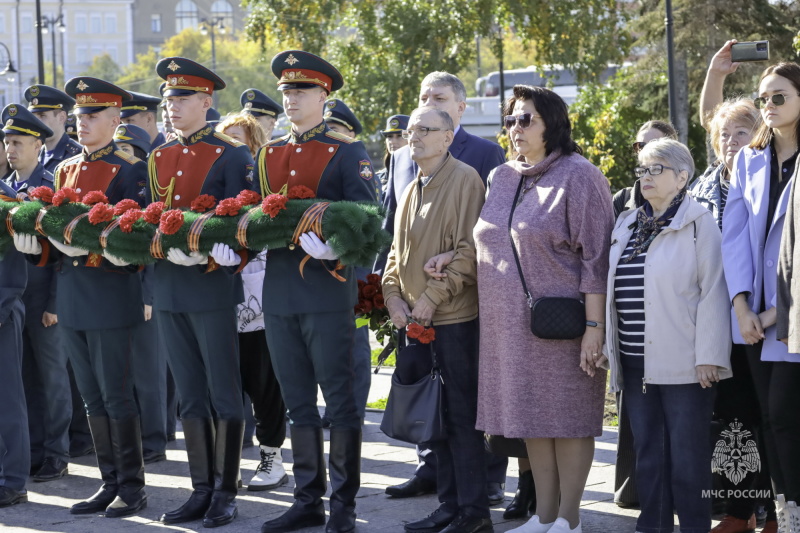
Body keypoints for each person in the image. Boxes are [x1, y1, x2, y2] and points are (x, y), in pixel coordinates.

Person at [469, 85, 613, 533]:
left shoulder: (580, 175)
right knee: (532, 415)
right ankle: (544, 515)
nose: (515, 128)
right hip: (506, 327)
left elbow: (597, 259)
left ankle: (569, 519)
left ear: (553, 123)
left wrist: (594, 328)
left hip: (562, 325)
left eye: (526, 119)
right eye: (510, 120)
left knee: (567, 419)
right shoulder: (501, 177)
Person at [14, 77, 150, 518]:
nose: (82, 121)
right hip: (73, 294)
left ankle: (132, 486)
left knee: (116, 395)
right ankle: (108, 482)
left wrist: (94, 246)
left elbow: (137, 239)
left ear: (115, 120)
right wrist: (40, 247)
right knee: (91, 397)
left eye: (92, 115)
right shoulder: (67, 168)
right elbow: (55, 235)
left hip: (111, 293)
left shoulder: (131, 168)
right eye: (79, 115)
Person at [254, 49, 377, 533]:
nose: (291, 99)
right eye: (286, 90)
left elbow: (369, 219)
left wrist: (338, 251)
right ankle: (308, 498)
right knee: (298, 401)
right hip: (281, 294)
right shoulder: (269, 153)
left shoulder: (346, 151)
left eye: (301, 90)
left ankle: (343, 504)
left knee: (341, 401)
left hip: (328, 294)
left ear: (324, 95)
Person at [380, 71, 507, 506]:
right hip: (416, 320)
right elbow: (397, 254)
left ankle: (470, 509)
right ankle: (449, 505)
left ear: (448, 137)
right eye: (410, 129)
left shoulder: (467, 178)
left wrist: (431, 300)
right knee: (437, 418)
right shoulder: (414, 183)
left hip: (452, 319)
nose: (413, 136)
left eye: (425, 130)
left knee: (460, 417)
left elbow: (470, 252)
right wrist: (393, 298)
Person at [604, 138, 732, 533]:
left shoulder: (700, 224)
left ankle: (694, 526)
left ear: (682, 176)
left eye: (656, 168)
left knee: (687, 457)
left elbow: (714, 291)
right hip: (635, 359)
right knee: (648, 454)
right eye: (642, 169)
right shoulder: (627, 222)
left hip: (686, 362)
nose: (646, 176)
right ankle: (653, 527)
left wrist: (710, 355)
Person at [148, 56, 254, 528]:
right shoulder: (157, 156)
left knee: (224, 393)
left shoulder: (232, 154)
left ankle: (226, 493)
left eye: (182, 97)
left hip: (211, 285)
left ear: (206, 101)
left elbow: (244, 221)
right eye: (168, 98)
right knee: (189, 396)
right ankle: (200, 489)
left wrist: (226, 253)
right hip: (170, 286)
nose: (172, 106)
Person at [695, 44, 775, 533]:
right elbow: (710, 117)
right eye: (724, 134)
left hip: (758, 315)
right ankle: (738, 510)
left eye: (741, 132)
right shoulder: (705, 182)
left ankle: (772, 508)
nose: (729, 140)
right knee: (733, 418)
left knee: (770, 415)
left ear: (758, 136)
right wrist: (714, 75)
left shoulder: (765, 177)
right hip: (713, 318)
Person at [729, 61, 800, 529]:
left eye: (780, 97)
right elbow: (733, 235)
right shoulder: (747, 159)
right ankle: (785, 511)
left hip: (793, 314)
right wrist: (740, 304)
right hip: (753, 316)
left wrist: (776, 313)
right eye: (764, 99)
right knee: (768, 421)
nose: (769, 106)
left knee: (784, 415)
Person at [216, 111, 289, 491]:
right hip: (216, 298)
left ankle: (272, 457)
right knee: (226, 382)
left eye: (239, 141)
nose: (232, 149)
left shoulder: (266, 186)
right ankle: (221, 460)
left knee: (263, 382)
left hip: (257, 300)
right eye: (225, 140)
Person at [2, 105, 72, 483]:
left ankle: (57, 453)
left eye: (18, 142)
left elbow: (62, 249)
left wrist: (56, 304)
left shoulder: (52, 187)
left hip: (44, 297)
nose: (11, 149)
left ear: (37, 144)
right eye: (7, 141)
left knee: (52, 377)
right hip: (13, 299)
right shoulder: (5, 188)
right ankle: (30, 450)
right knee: (22, 379)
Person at [111, 121, 170, 465]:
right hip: (118, 285)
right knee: (126, 371)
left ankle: (154, 438)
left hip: (146, 286)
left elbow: (151, 244)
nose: (122, 156)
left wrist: (148, 294)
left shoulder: (148, 189)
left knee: (149, 370)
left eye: (128, 150)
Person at [0, 179, 29, 508]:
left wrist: (3, 306)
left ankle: (13, 480)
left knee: (7, 402)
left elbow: (10, 262)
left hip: (2, 311)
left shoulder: (5, 197)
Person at [612, 120, 678, 218]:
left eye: (654, 145)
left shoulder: (689, 202)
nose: (646, 152)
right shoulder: (622, 200)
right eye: (641, 146)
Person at [24, 85, 82, 174]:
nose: (36, 122)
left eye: (42, 115)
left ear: (62, 117)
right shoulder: (33, 155)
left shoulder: (78, 155)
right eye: (33, 117)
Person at [377, 114, 410, 197]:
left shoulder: (419, 174)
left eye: (399, 136)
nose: (392, 141)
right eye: (389, 136)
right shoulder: (379, 177)